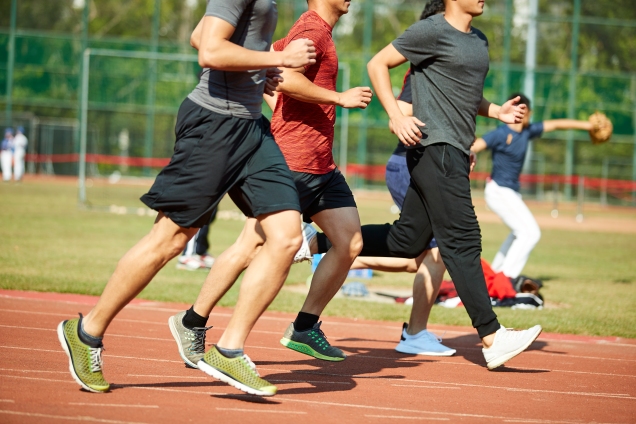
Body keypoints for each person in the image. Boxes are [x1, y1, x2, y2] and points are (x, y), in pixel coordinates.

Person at [57, 0, 317, 397]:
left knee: (286, 236)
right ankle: (87, 332)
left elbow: (200, 33)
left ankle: (229, 349)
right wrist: (278, 56)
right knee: (171, 240)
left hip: (250, 129)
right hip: (213, 125)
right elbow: (208, 49)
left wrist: (261, 68)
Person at [317, 0, 542, 370]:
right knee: (462, 240)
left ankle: (320, 239)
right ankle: (492, 336)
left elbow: (465, 96)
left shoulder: (480, 41)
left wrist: (497, 111)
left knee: (408, 240)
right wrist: (394, 114)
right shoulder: (432, 30)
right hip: (434, 148)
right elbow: (377, 64)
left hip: (454, 150)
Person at [168, 0, 373, 368]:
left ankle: (304, 327)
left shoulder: (317, 31)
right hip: (292, 161)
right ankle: (192, 321)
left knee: (350, 240)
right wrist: (337, 98)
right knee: (250, 247)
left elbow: (271, 61)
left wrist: (270, 86)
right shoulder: (312, 28)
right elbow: (288, 76)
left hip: (321, 165)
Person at [471, 92, 599, 280]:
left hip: (509, 193)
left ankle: (495, 273)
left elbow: (557, 125)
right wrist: (468, 151)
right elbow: (477, 145)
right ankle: (505, 279)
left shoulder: (527, 131)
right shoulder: (501, 133)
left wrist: (587, 126)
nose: (528, 116)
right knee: (530, 233)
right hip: (499, 191)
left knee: (519, 233)